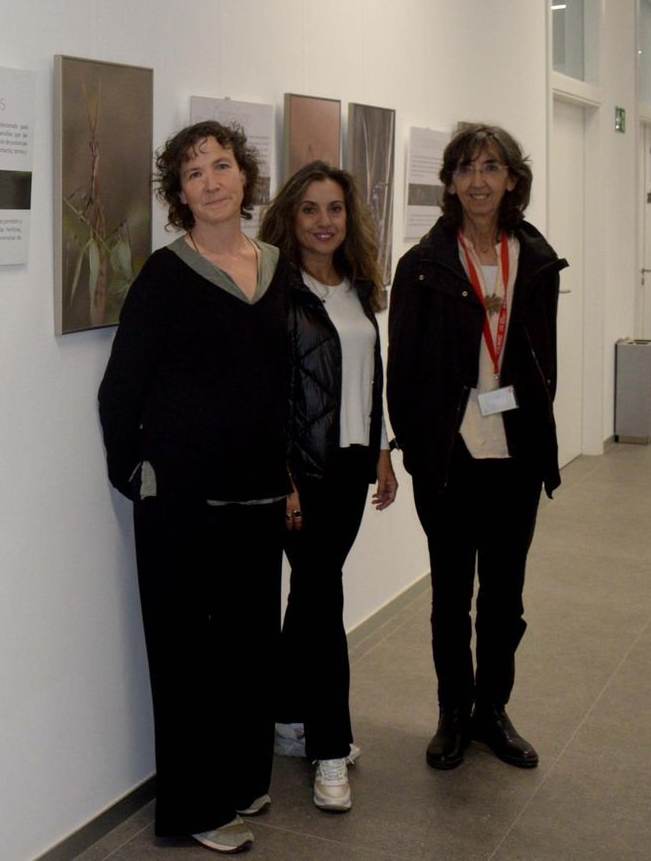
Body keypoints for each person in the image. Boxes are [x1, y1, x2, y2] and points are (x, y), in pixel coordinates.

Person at [98, 120, 290, 853]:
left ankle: (242, 780)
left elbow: (285, 383)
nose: (210, 181)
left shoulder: (274, 266)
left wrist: (291, 476)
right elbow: (120, 391)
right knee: (188, 660)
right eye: (193, 174)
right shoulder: (164, 276)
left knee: (249, 649)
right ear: (179, 195)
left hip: (259, 497)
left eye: (221, 165)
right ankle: (194, 809)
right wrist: (136, 474)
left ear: (245, 177)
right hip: (180, 501)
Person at [387, 124, 566, 771]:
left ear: (512, 179)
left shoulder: (537, 260)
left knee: (504, 599)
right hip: (450, 462)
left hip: (515, 458)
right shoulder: (424, 266)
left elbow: (543, 360)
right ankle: (451, 714)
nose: (479, 180)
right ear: (450, 183)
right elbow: (400, 367)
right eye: (465, 168)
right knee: (450, 598)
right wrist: (414, 448)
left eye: (491, 167)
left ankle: (493, 710)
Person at [258, 161, 397, 812]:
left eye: (334, 208)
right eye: (310, 209)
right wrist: (281, 478)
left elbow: (371, 374)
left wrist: (383, 452)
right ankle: (329, 749)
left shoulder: (359, 288)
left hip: (349, 467)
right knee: (324, 600)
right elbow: (265, 397)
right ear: (290, 217)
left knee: (310, 599)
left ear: (349, 217)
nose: (323, 221)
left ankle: (288, 718)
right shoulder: (275, 295)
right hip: (301, 475)